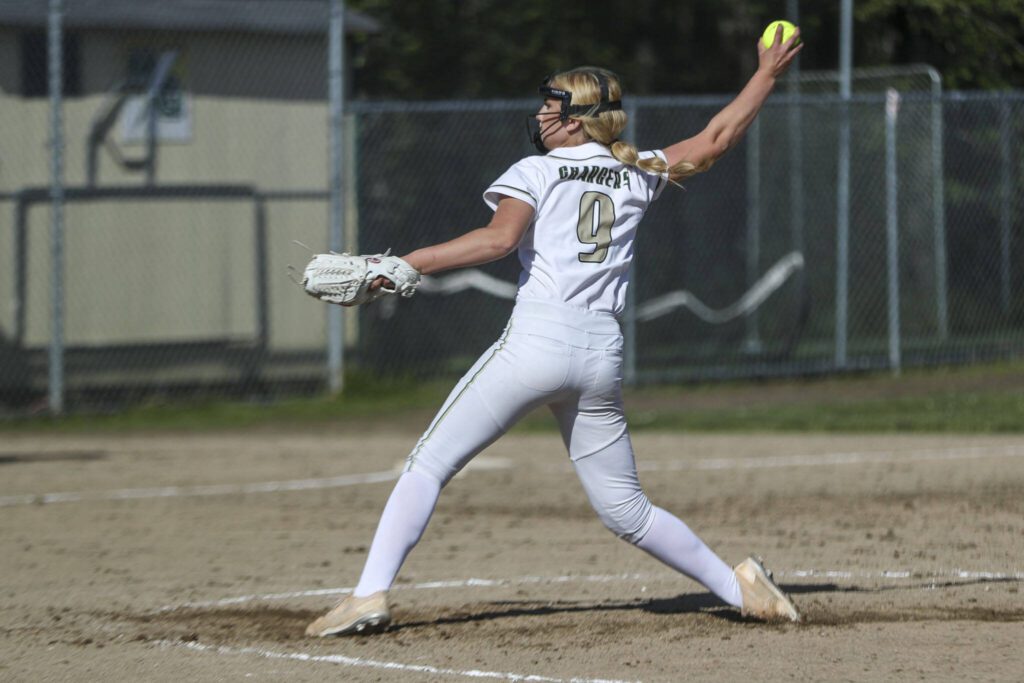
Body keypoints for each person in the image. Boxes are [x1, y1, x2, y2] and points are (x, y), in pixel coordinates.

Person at [306, 25, 804, 638]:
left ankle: (367, 596)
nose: (542, 114)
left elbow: (497, 241)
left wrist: (403, 263)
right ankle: (740, 587)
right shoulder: (638, 171)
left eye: (554, 105)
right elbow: (718, 138)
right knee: (625, 510)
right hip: (600, 353)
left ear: (578, 120)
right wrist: (766, 74)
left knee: (428, 465)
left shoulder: (537, 171)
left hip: (537, 345)